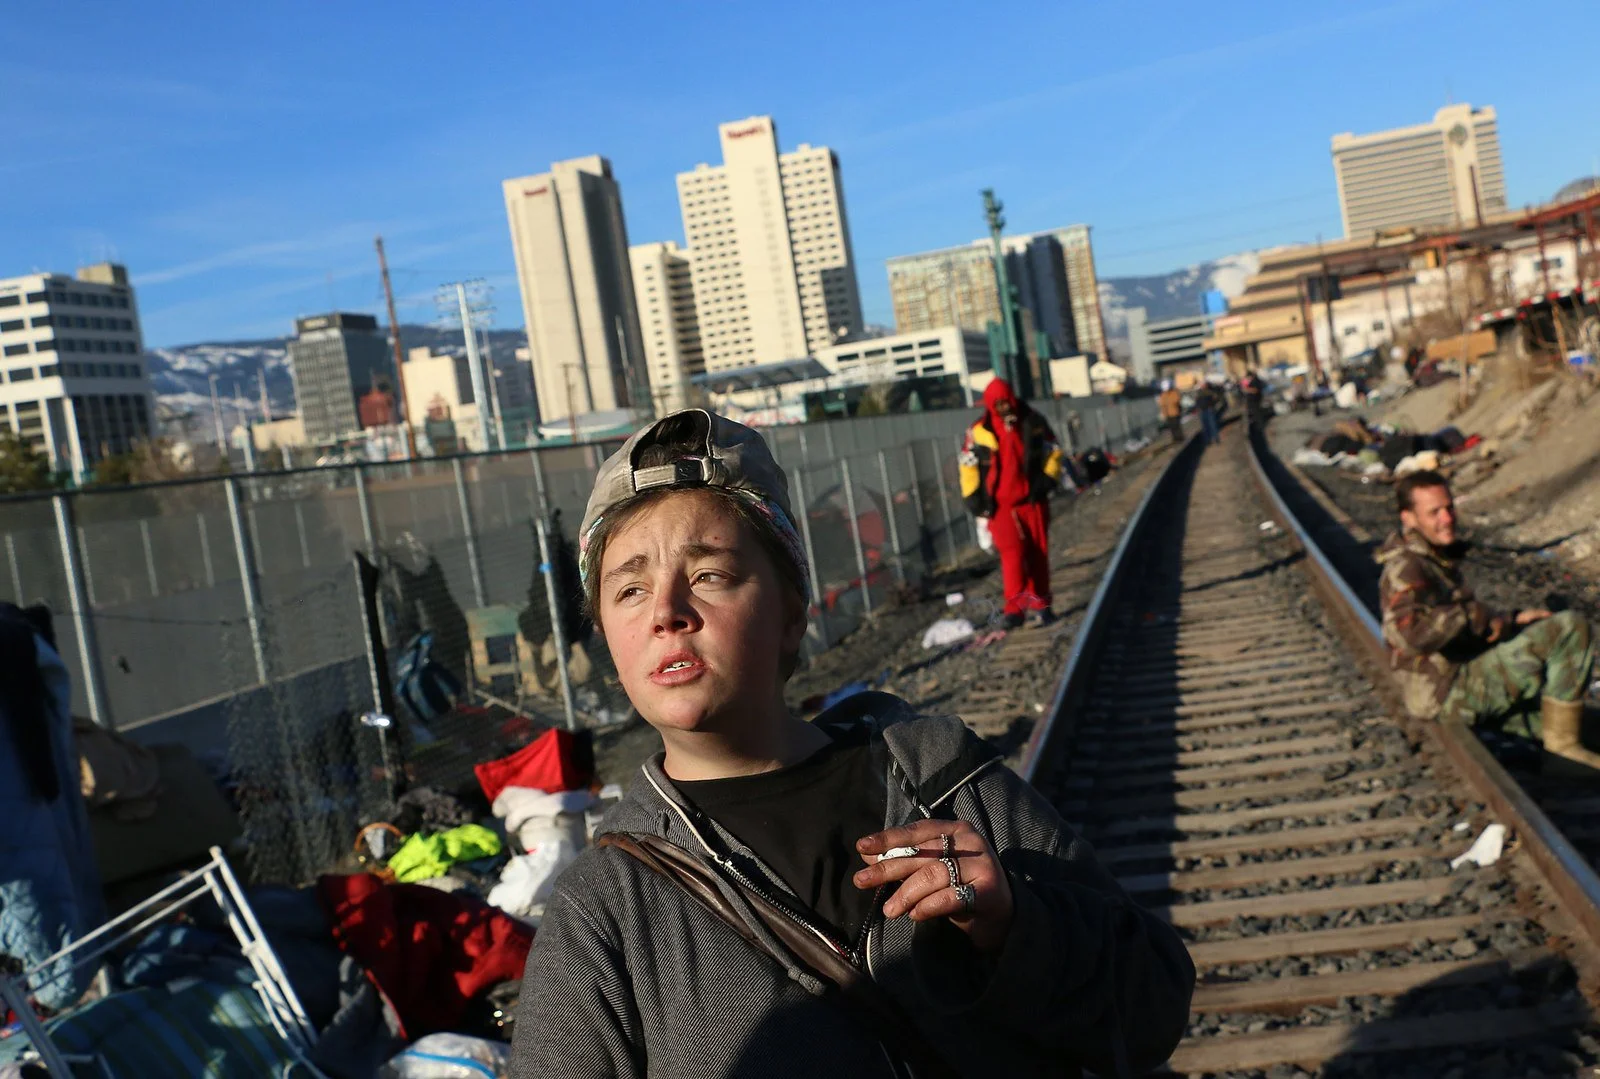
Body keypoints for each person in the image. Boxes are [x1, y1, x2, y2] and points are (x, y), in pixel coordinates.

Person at [511, 408, 1194, 1078]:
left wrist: (1015, 924)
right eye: (629, 588)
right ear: (607, 637)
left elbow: (1153, 1007)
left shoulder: (937, 774)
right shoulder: (603, 912)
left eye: (709, 574)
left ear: (792, 611)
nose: (666, 612)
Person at [1378, 470, 1600, 771]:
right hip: (1448, 692)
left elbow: (1461, 626)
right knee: (1569, 628)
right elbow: (1408, 635)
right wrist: (1473, 616)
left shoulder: (1433, 557)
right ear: (1409, 518)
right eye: (1434, 512)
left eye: (1449, 507)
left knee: (1591, 726)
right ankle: (1563, 751)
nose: (1447, 518)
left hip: (1457, 681)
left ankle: (1565, 745)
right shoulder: (1406, 566)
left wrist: (1510, 621)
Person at [958, 380, 1067, 630]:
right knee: (1013, 555)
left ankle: (1041, 605)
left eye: (1005, 402)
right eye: (998, 404)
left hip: (1032, 502)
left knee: (1037, 554)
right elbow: (967, 465)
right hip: (1000, 507)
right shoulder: (979, 432)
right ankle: (1014, 610)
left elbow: (1054, 450)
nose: (1003, 407)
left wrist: (1048, 480)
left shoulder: (1033, 422)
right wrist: (974, 499)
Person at [1193, 381, 1222, 445]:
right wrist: (1198, 409)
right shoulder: (1198, 393)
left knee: (1213, 425)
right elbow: (1196, 402)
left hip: (1209, 410)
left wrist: (1211, 406)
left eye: (1204, 385)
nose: (1203, 386)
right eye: (1202, 385)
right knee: (1205, 427)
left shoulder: (1210, 392)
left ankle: (1216, 438)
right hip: (1202, 412)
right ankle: (1208, 440)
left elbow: (1216, 399)